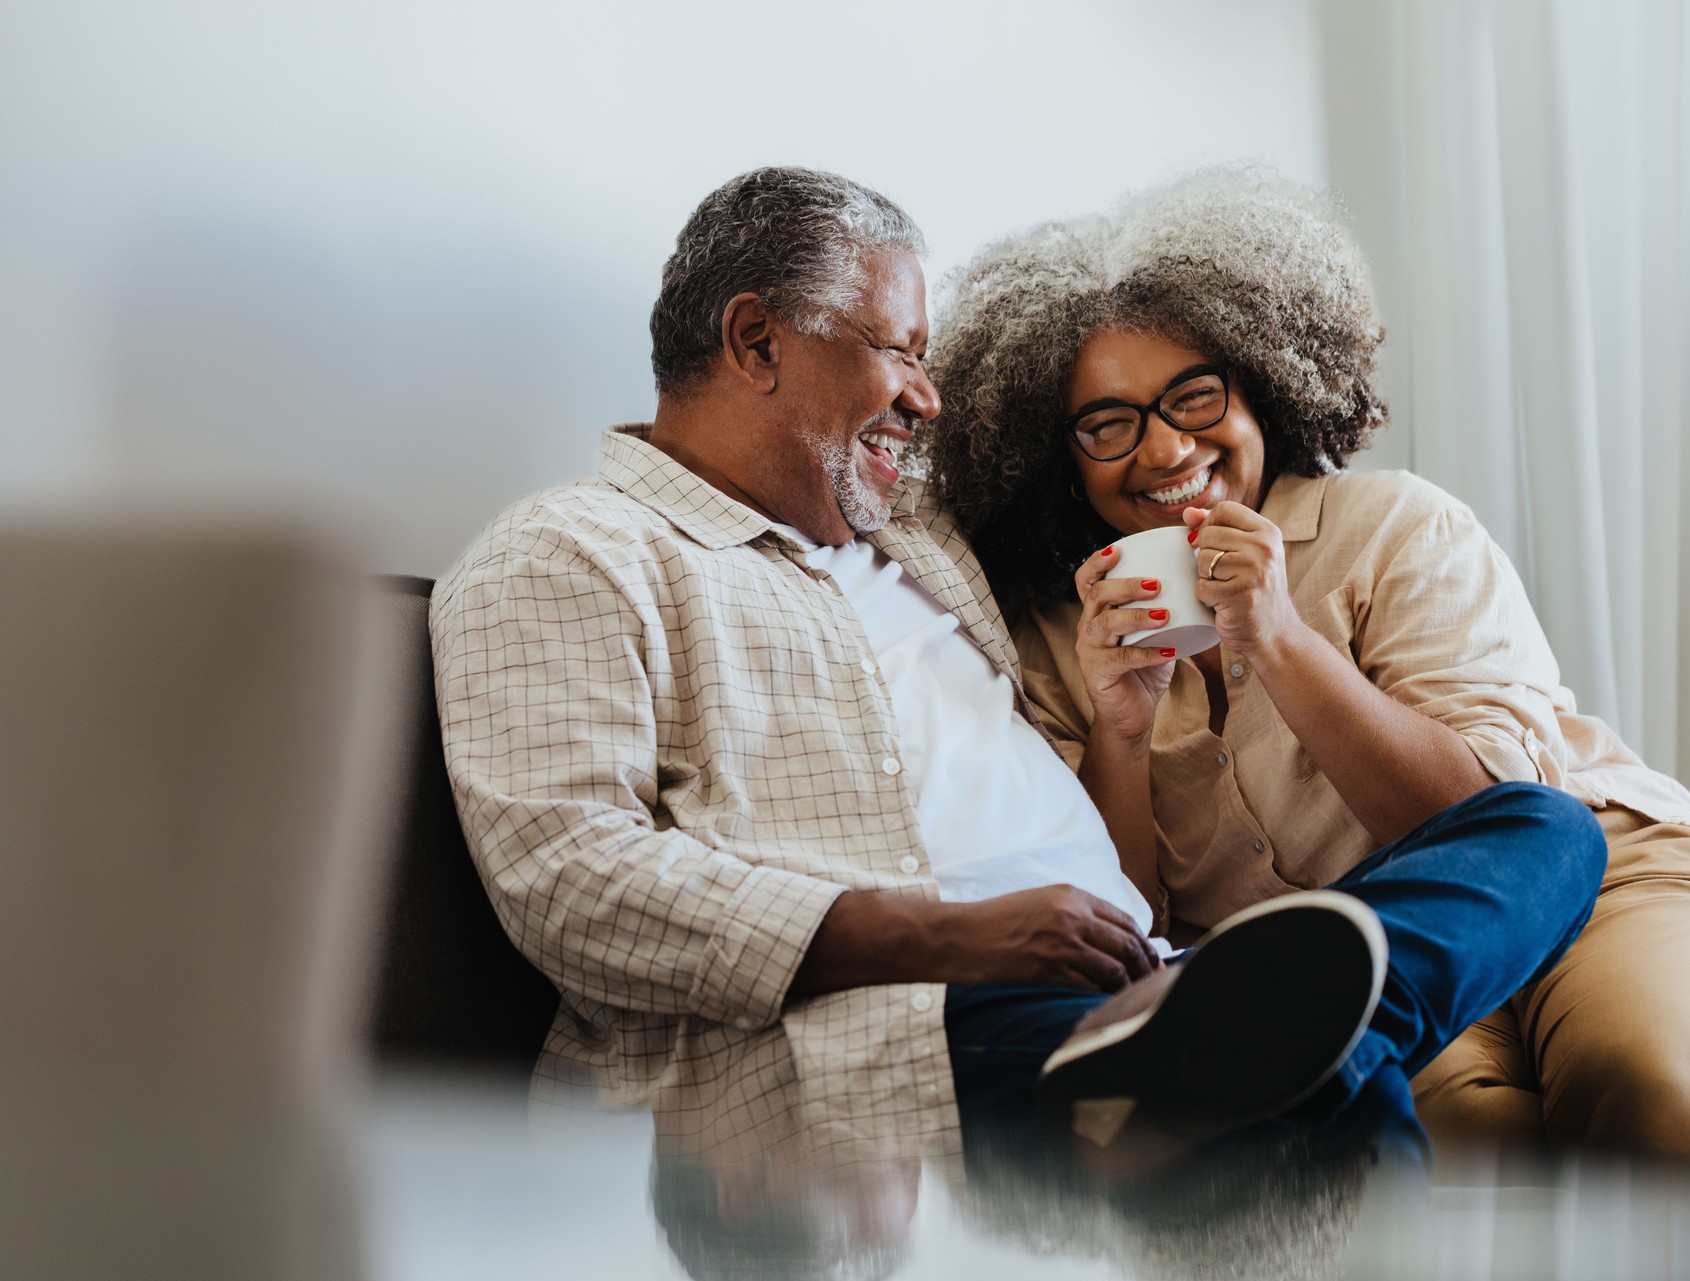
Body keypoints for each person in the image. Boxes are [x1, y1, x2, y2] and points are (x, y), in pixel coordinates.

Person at [430, 166, 1605, 1188]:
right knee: (1315, 1108)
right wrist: (945, 940)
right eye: (897, 349)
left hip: (1142, 975)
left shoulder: (926, 549)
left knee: (1548, 832)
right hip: (898, 1023)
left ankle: (1249, 1033)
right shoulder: (570, 555)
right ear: (755, 343)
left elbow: (1086, 852)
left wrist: (1122, 722)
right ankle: (1264, 1046)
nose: (927, 396)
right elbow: (567, 879)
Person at [920, 167, 1690, 1262]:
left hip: (1601, 885)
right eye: (1106, 423)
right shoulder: (1058, 640)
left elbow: (1494, 821)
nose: (1163, 451)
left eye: (1195, 396)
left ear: (1261, 386)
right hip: (1380, 972)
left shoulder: (1394, 527)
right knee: (1471, 1167)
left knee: (1665, 1113)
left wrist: (1280, 640)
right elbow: (1132, 930)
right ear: (1060, 457)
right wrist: (1118, 727)